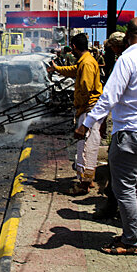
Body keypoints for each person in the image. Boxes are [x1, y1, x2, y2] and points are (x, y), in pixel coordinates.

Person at [77, 17, 137, 255]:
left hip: (128, 132)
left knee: (125, 188)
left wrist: (87, 123)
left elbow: (109, 97)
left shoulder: (126, 60)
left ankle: (131, 241)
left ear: (128, 35)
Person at [47, 33, 103, 195]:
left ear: (74, 47)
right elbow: (74, 71)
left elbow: (85, 87)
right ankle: (88, 179)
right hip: (90, 108)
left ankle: (84, 184)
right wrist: (57, 69)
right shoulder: (86, 61)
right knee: (89, 144)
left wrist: (81, 109)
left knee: (85, 146)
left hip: (88, 109)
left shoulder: (86, 63)